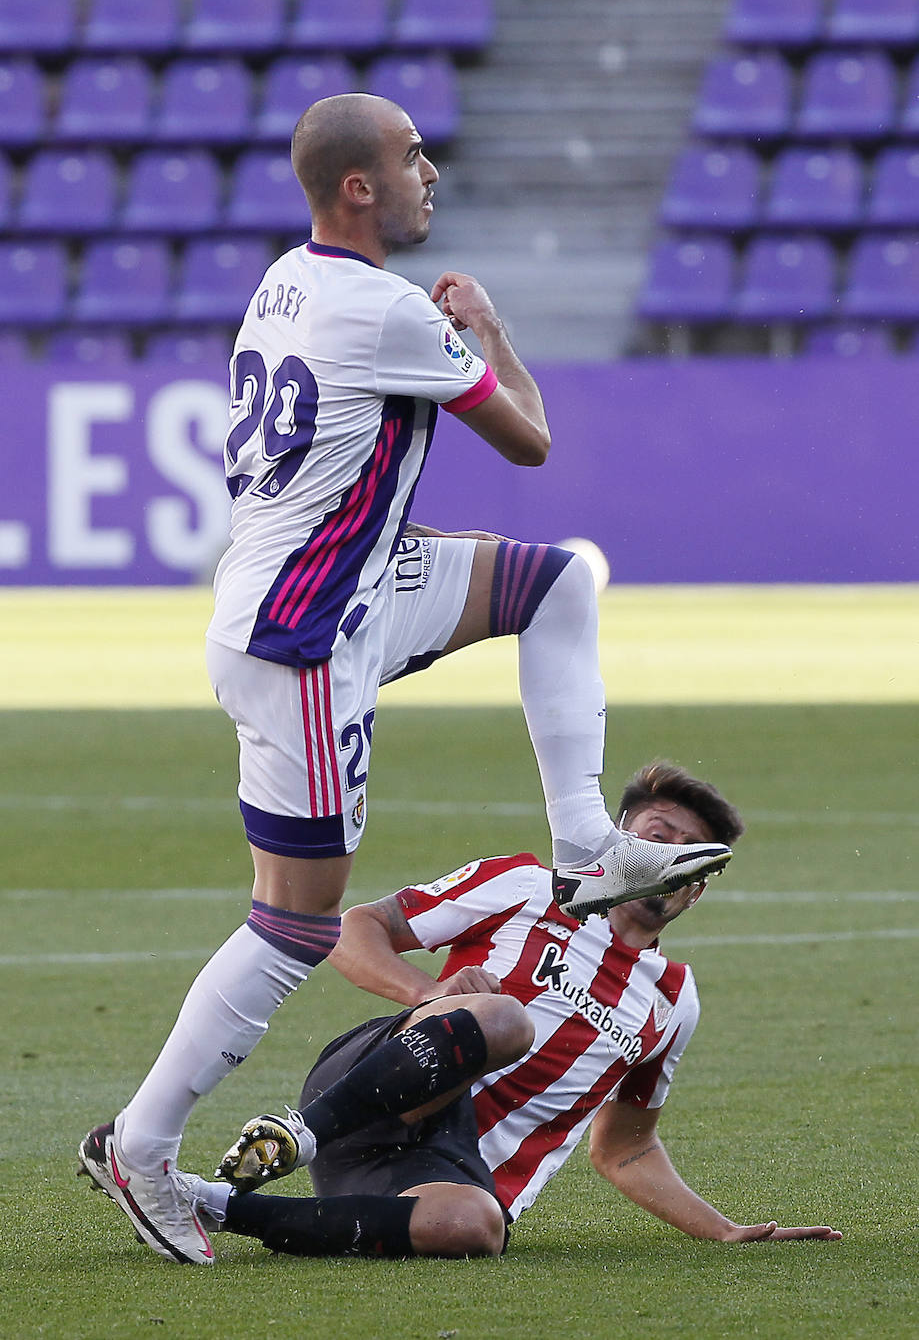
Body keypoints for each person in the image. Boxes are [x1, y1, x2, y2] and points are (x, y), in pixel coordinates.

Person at [77, 94, 732, 1264]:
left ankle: (585, 846)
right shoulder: (380, 308)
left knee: (555, 583)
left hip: (352, 584)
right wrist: (490, 331)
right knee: (294, 921)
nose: (432, 171)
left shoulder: (289, 277)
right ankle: (143, 1147)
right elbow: (528, 440)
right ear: (360, 190)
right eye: (412, 157)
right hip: (310, 634)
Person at [175, 763, 840, 1258]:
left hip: (430, 1173)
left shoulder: (671, 1001)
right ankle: (298, 1133)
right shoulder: (528, 886)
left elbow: (626, 1150)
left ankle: (216, 1203)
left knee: (476, 1229)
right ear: (616, 837)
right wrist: (424, 993)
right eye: (655, 837)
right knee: (502, 1020)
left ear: (692, 891)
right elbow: (354, 928)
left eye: (682, 858)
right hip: (378, 1087)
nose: (662, 862)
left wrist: (719, 1228)